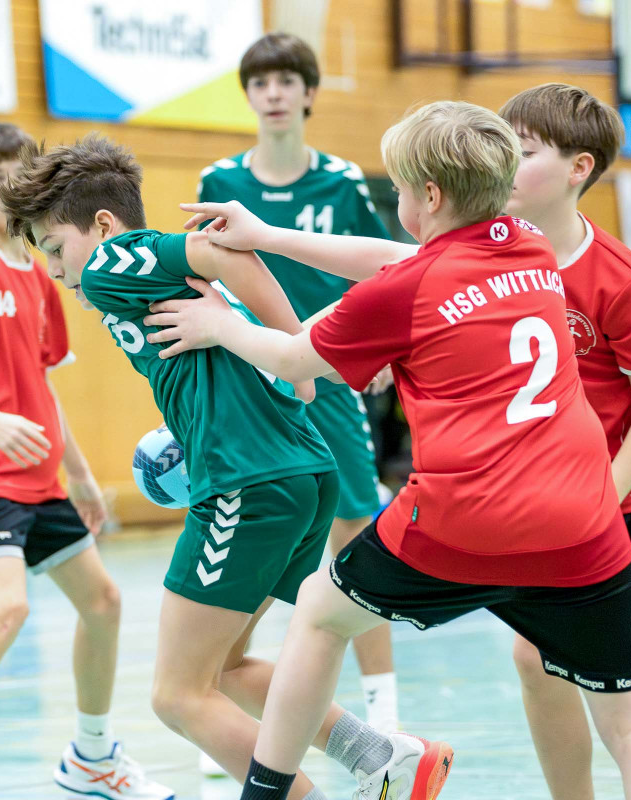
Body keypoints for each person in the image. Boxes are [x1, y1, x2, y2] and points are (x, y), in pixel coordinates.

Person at [147, 100, 631, 800]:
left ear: (428, 197)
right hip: (582, 519)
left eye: (399, 190)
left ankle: (267, 792)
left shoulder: (405, 291)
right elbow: (395, 257)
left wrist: (219, 323)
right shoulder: (531, 246)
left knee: (319, 612)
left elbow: (290, 359)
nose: (396, 203)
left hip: (462, 520)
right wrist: (271, 236)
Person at [0, 133, 451, 800]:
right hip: (301, 476)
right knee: (228, 666)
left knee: (177, 696)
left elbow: (217, 249)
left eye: (57, 249)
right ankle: (382, 756)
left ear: (103, 226)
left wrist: (294, 348)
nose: (57, 271)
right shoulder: (136, 277)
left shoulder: (112, 263)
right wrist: (287, 356)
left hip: (247, 484)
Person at [0, 123, 170, 800]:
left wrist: (78, 473)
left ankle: (92, 756)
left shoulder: (43, 274)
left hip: (39, 478)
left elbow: (42, 384)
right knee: (8, 609)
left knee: (104, 602)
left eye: (17, 178)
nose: (7, 191)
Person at [500, 83, 631, 800]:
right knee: (535, 660)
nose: (505, 164)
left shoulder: (622, 280)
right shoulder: (492, 257)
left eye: (523, 151)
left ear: (578, 168)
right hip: (557, 502)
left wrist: (602, 496)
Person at [199, 34, 399, 729]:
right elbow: (204, 277)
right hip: (252, 381)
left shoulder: (341, 181)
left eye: (287, 80)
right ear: (249, 96)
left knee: (356, 530)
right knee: (252, 533)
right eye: (261, 83)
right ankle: (215, 693)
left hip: (330, 375)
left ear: (309, 93)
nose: (275, 94)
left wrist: (378, 350)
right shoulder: (219, 181)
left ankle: (384, 711)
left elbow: (380, 270)